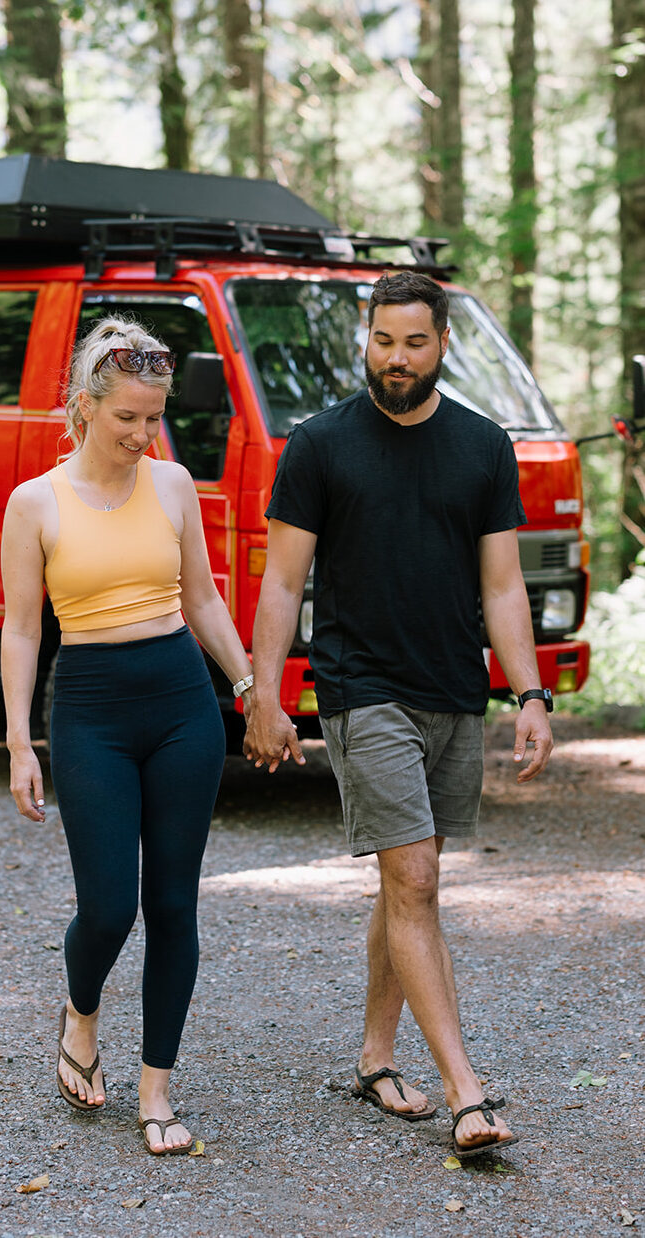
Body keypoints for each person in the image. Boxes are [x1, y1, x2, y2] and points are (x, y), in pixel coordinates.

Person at [244, 271, 553, 1158]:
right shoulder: (320, 444)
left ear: (442, 344)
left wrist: (529, 692)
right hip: (361, 686)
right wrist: (265, 695)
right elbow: (283, 583)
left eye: (414, 343)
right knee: (415, 879)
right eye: (384, 342)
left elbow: (503, 585)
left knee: (406, 881)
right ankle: (467, 1092)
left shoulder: (484, 446)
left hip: (453, 689)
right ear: (366, 340)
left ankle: (376, 1059)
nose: (397, 359)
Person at [0, 315, 254, 1156]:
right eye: (127, 418)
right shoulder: (35, 503)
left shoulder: (174, 485)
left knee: (173, 903)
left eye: (155, 417)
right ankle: (80, 1015)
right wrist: (19, 744)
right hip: (91, 711)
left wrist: (249, 686)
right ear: (85, 405)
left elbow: (204, 599)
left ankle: (156, 1090)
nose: (144, 435)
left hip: (181, 702)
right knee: (108, 906)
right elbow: (22, 630)